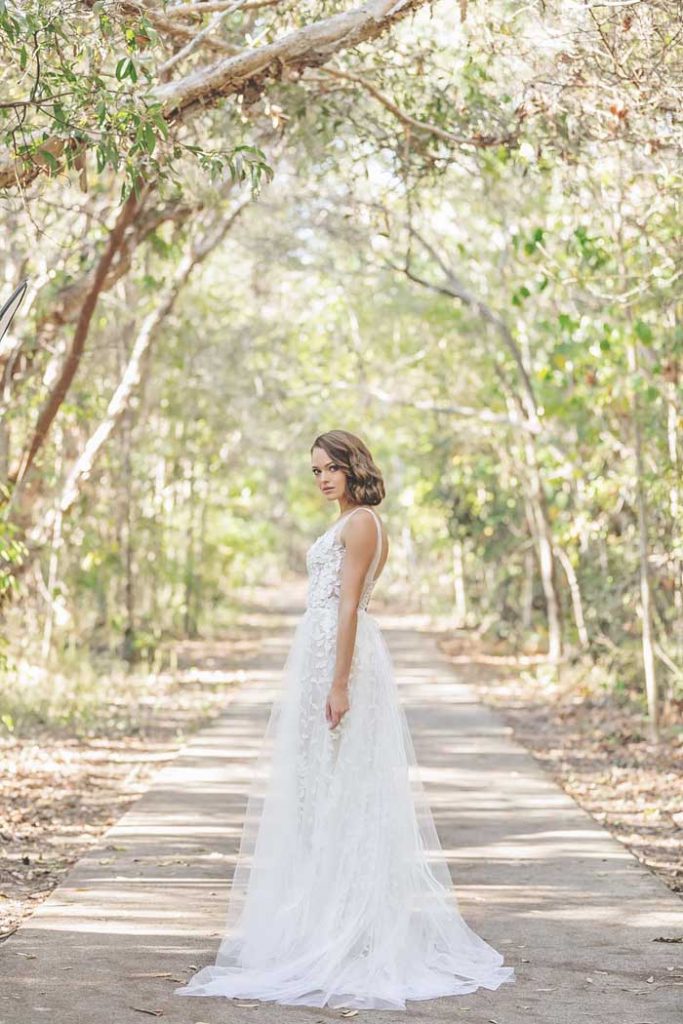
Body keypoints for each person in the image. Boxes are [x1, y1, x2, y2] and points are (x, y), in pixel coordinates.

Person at [175, 429, 515, 1010]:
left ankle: (348, 928)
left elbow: (350, 603)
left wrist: (337, 682)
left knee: (342, 790)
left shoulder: (360, 524)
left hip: (341, 658)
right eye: (315, 470)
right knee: (318, 790)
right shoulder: (347, 521)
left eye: (331, 467)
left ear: (353, 467)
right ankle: (322, 916)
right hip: (322, 653)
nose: (323, 478)